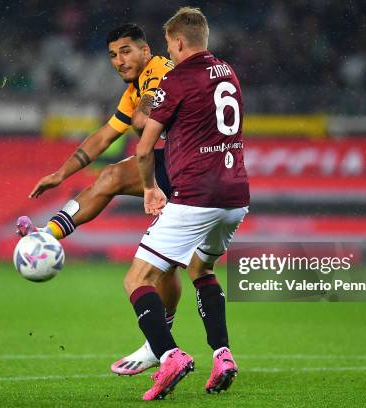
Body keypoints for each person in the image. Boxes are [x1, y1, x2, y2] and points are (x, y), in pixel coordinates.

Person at [17, 24, 179, 376]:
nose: (118, 61)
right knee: (168, 263)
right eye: (112, 55)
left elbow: (146, 116)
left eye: (125, 51)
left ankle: (166, 345)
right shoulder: (136, 86)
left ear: (146, 50)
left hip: (193, 166)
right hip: (179, 164)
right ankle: (49, 234)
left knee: (188, 267)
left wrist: (141, 115)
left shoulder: (159, 71)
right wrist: (62, 173)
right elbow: (106, 134)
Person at [124, 7, 250, 400]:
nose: (169, 53)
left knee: (137, 279)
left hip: (196, 196)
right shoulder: (228, 72)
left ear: (178, 42)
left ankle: (169, 355)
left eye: (168, 46)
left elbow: (144, 147)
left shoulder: (177, 79)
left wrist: (149, 189)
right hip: (236, 197)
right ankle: (223, 354)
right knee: (201, 266)